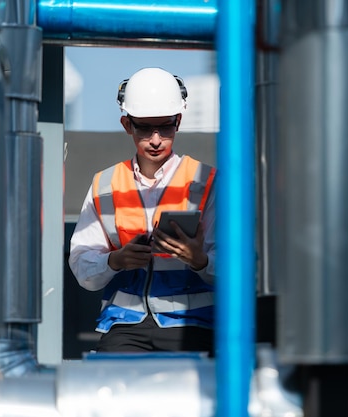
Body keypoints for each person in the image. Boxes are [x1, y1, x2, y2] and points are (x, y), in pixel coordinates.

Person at [68, 67, 216, 354]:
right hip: (124, 325)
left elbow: (238, 269)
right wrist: (115, 261)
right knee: (107, 388)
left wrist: (200, 260)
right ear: (127, 125)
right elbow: (82, 267)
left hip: (192, 325)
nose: (157, 139)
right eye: (146, 127)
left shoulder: (208, 182)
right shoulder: (104, 184)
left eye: (166, 126)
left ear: (179, 121)